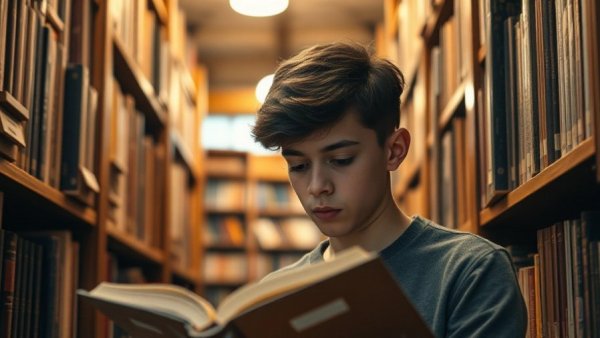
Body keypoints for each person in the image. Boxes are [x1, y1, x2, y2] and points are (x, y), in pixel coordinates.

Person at [251, 41, 527, 337]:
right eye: (299, 166)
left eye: (341, 160)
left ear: (394, 151)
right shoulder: (275, 297)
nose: (317, 187)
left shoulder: (470, 271)